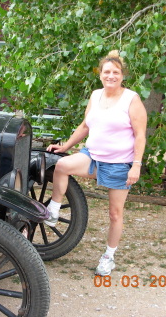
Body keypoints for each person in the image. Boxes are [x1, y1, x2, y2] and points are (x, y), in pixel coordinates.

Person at [45, 50, 147, 276]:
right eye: (107, 72)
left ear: (122, 76)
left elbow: (140, 135)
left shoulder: (132, 99)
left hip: (119, 164)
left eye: (116, 72)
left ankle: (109, 257)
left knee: (115, 214)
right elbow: (85, 126)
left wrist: (137, 164)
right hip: (92, 156)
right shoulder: (95, 96)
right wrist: (65, 147)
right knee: (61, 166)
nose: (111, 76)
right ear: (100, 74)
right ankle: (52, 210)